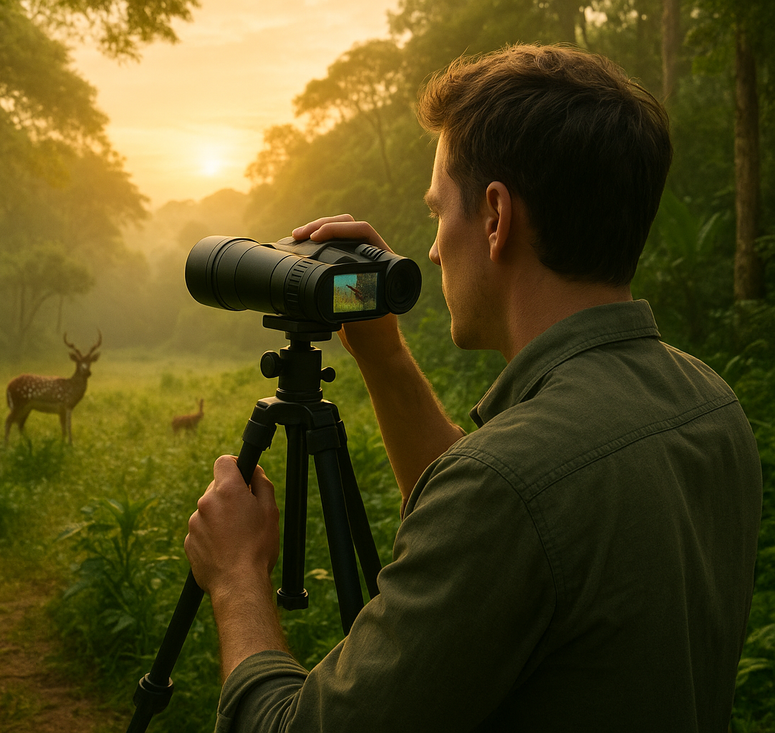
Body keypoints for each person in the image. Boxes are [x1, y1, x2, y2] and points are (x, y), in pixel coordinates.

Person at [183, 44, 762, 731]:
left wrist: (238, 577)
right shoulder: (711, 405)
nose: (430, 248)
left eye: (436, 213)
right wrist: (385, 352)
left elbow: (507, 504)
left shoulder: (508, 486)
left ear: (494, 217)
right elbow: (517, 541)